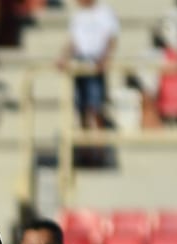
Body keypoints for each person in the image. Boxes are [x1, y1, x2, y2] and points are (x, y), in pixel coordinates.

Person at [61, 0, 119, 162]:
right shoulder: (78, 16)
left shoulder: (104, 12)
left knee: (95, 108)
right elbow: (74, 42)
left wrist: (105, 58)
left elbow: (111, 38)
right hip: (80, 63)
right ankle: (85, 149)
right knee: (81, 109)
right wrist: (63, 56)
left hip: (95, 63)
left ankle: (99, 149)